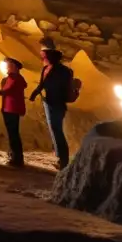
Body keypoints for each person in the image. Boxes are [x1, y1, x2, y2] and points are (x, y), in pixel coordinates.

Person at [30, 40, 72, 169]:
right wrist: (35, 93)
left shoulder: (64, 71)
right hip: (48, 102)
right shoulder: (45, 69)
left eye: (43, 54)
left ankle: (64, 160)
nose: (41, 56)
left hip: (58, 103)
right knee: (54, 130)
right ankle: (60, 157)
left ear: (49, 55)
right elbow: (42, 83)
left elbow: (64, 87)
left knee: (57, 130)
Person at [0, 57, 27, 167]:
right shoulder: (11, 78)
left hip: (12, 109)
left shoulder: (17, 79)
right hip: (8, 108)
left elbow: (9, 91)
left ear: (15, 67)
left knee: (13, 133)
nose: (7, 66)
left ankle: (17, 159)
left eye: (9, 64)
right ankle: (14, 156)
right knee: (12, 133)